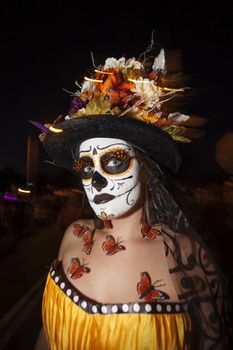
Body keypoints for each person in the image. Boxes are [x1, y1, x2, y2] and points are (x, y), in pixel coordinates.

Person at [34, 40, 231, 350]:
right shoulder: (73, 236)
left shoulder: (185, 256)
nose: (95, 180)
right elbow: (45, 338)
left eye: (114, 161)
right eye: (85, 166)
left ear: (146, 168)